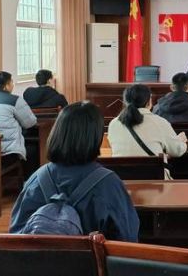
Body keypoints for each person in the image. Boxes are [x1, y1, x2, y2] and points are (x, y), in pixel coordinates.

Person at [9, 102, 140, 242]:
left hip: (39, 256)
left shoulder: (36, 179)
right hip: (91, 257)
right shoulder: (109, 184)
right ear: (96, 137)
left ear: (56, 133)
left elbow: (15, 235)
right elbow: (128, 239)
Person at [108, 84, 187, 179]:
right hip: (156, 183)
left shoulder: (113, 124)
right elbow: (177, 151)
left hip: (122, 182)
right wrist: (181, 141)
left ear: (125, 102)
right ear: (149, 101)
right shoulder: (159, 122)